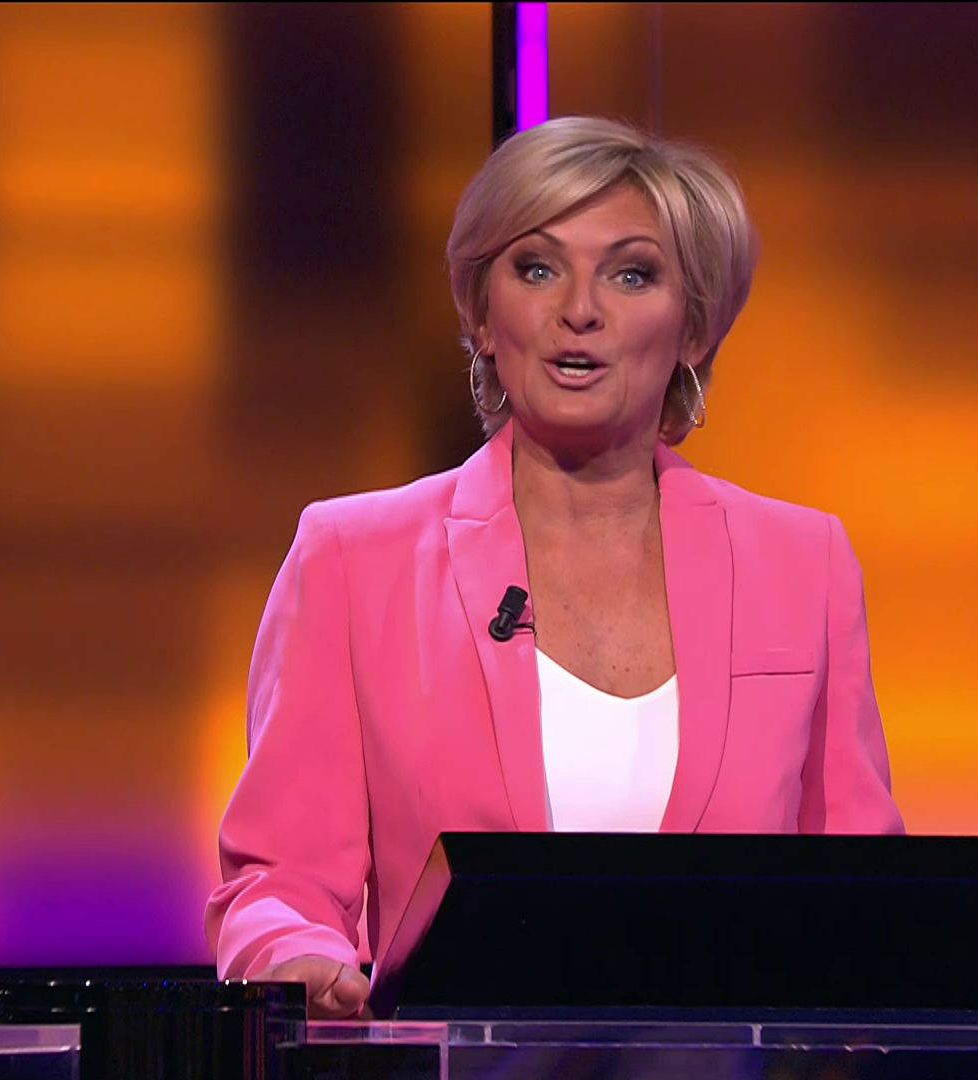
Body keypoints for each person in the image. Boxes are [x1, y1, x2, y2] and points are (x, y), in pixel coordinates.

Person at [205, 116, 905, 1019]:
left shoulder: (802, 563)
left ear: (694, 329)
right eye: (536, 269)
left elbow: (863, 891)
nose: (580, 309)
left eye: (631, 274)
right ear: (482, 316)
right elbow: (281, 879)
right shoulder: (353, 557)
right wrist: (298, 959)